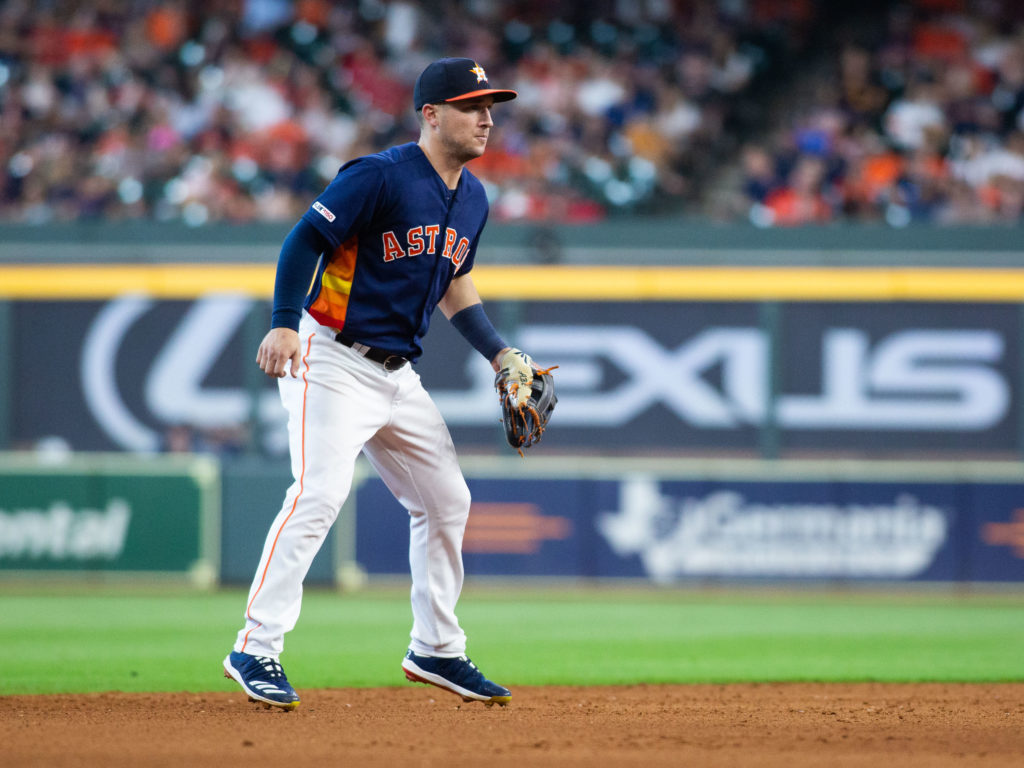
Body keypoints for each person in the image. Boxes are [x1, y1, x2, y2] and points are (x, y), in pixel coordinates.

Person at [222, 58, 536, 710]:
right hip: (331, 357)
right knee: (320, 495)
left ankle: (436, 650)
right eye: (471, 105)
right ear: (430, 114)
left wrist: (499, 352)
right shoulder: (380, 175)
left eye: (490, 106)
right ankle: (255, 647)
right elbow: (302, 241)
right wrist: (282, 323)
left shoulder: (473, 197)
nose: (486, 118)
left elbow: (455, 283)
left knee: (447, 501)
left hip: (397, 374)